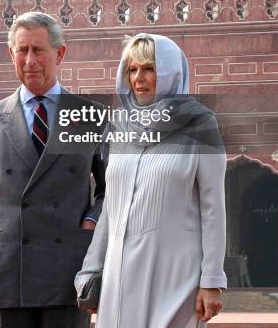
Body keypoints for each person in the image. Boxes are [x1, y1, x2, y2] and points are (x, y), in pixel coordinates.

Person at [0, 12, 106, 328]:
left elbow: (113, 190)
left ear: (60, 53)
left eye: (38, 50)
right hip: (7, 272)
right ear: (10, 54)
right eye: (21, 50)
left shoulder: (91, 116)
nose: (29, 60)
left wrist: (91, 220)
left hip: (68, 269)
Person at [75, 33, 227, 327]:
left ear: (170, 73)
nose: (138, 79)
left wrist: (211, 280)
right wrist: (91, 269)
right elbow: (111, 207)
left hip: (175, 276)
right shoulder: (119, 125)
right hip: (119, 275)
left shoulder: (199, 123)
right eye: (132, 70)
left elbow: (213, 206)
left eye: (149, 69)